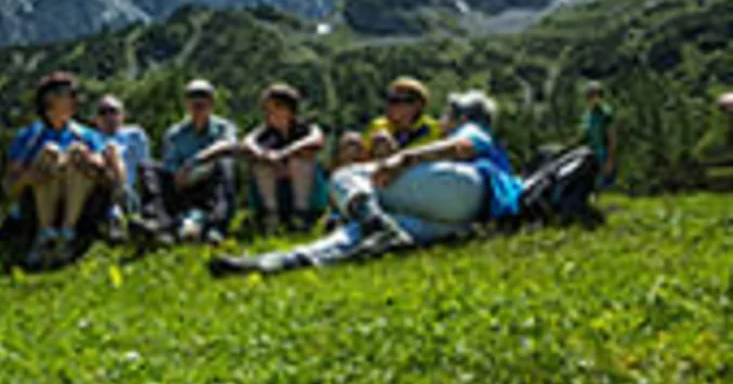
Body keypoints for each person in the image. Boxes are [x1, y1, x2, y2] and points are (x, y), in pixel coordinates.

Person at [209, 90, 523, 276]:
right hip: (467, 217)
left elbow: (461, 148)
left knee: (349, 176)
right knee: (360, 232)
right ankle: (276, 262)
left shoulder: (474, 131)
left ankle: (376, 225)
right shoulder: (489, 149)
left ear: (460, 117)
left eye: (446, 116)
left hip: (465, 191)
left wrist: (403, 159)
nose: (442, 122)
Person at [4, 73, 113, 267]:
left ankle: (65, 235)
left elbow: (105, 173)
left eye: (73, 94)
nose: (74, 99)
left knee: (75, 152)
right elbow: (9, 187)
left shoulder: (86, 134)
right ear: (49, 99)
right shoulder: (28, 137)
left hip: (80, 201)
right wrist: (27, 178)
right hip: (38, 202)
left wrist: (89, 160)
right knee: (49, 152)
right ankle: (46, 234)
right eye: (67, 94)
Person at [138, 79, 237, 244]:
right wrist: (178, 174)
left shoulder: (223, 127)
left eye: (203, 98)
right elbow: (170, 163)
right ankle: (157, 223)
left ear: (212, 103)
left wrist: (195, 161)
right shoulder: (174, 133)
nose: (198, 104)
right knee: (147, 167)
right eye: (193, 98)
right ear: (186, 104)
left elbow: (227, 146)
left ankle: (217, 227)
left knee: (224, 164)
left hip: (210, 184)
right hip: (182, 184)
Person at [243, 83, 327, 233]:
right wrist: (268, 157)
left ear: (285, 109)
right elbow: (248, 143)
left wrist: (286, 153)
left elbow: (317, 139)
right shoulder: (265, 133)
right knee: (261, 164)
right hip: (277, 189)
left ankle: (301, 215)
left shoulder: (305, 129)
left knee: (300, 161)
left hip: (306, 193)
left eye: (270, 108)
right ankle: (271, 216)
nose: (266, 113)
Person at [93, 95, 152, 240]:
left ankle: (117, 217)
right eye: (103, 112)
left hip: (130, 190)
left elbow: (144, 166)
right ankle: (120, 216)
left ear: (122, 115)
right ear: (96, 119)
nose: (108, 116)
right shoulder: (90, 138)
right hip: (101, 189)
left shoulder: (135, 135)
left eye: (113, 111)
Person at [364, 77, 441, 153]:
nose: (392, 106)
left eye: (397, 100)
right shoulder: (378, 125)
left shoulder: (431, 128)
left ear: (418, 105)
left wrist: (393, 149)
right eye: (391, 99)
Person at [579, 81, 617, 188]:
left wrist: (610, 160)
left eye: (594, 95)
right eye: (589, 95)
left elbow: (612, 138)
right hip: (590, 153)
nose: (591, 98)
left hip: (602, 153)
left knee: (603, 184)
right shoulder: (588, 114)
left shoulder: (605, 113)